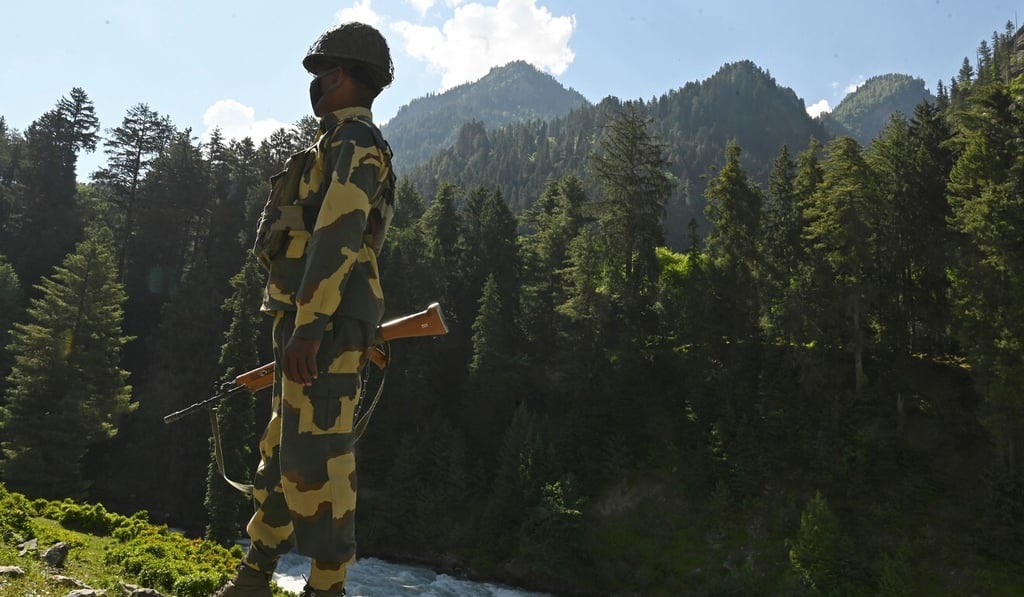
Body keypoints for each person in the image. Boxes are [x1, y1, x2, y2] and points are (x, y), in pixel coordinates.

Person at [215, 21, 396, 597]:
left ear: (339, 77)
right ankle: (255, 573)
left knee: (320, 457)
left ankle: (326, 588)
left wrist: (312, 326)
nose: (315, 85)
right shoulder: (338, 143)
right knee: (282, 444)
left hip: (325, 323)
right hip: (307, 321)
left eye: (321, 74)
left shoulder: (357, 141)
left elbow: (338, 233)